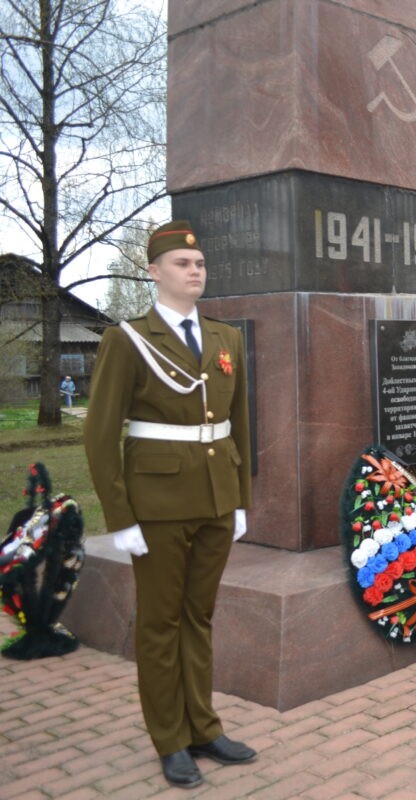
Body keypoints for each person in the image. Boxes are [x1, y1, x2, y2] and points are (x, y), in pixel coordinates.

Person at [83, 220, 255, 789]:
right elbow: (101, 436)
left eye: (200, 263)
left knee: (199, 617)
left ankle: (204, 727)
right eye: (183, 264)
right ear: (154, 272)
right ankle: (171, 739)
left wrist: (239, 500)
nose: (195, 270)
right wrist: (120, 519)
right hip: (155, 504)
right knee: (159, 623)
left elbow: (239, 425)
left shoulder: (225, 339)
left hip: (213, 498)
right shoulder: (127, 340)